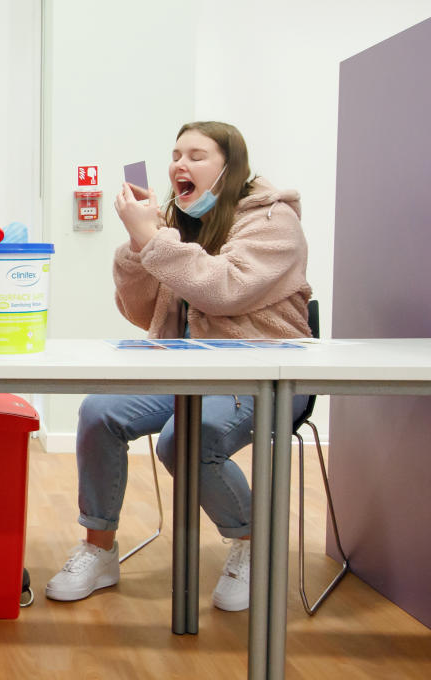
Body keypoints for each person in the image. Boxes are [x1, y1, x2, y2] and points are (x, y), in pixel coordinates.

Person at [45, 121, 312, 611]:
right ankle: (98, 550)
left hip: (264, 372)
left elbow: (226, 289)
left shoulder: (274, 222)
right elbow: (143, 312)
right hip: (184, 369)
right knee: (98, 413)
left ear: (231, 168)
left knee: (186, 438)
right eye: (175, 155)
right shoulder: (178, 220)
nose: (179, 166)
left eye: (196, 155)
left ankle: (253, 546)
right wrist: (137, 244)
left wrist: (156, 240)